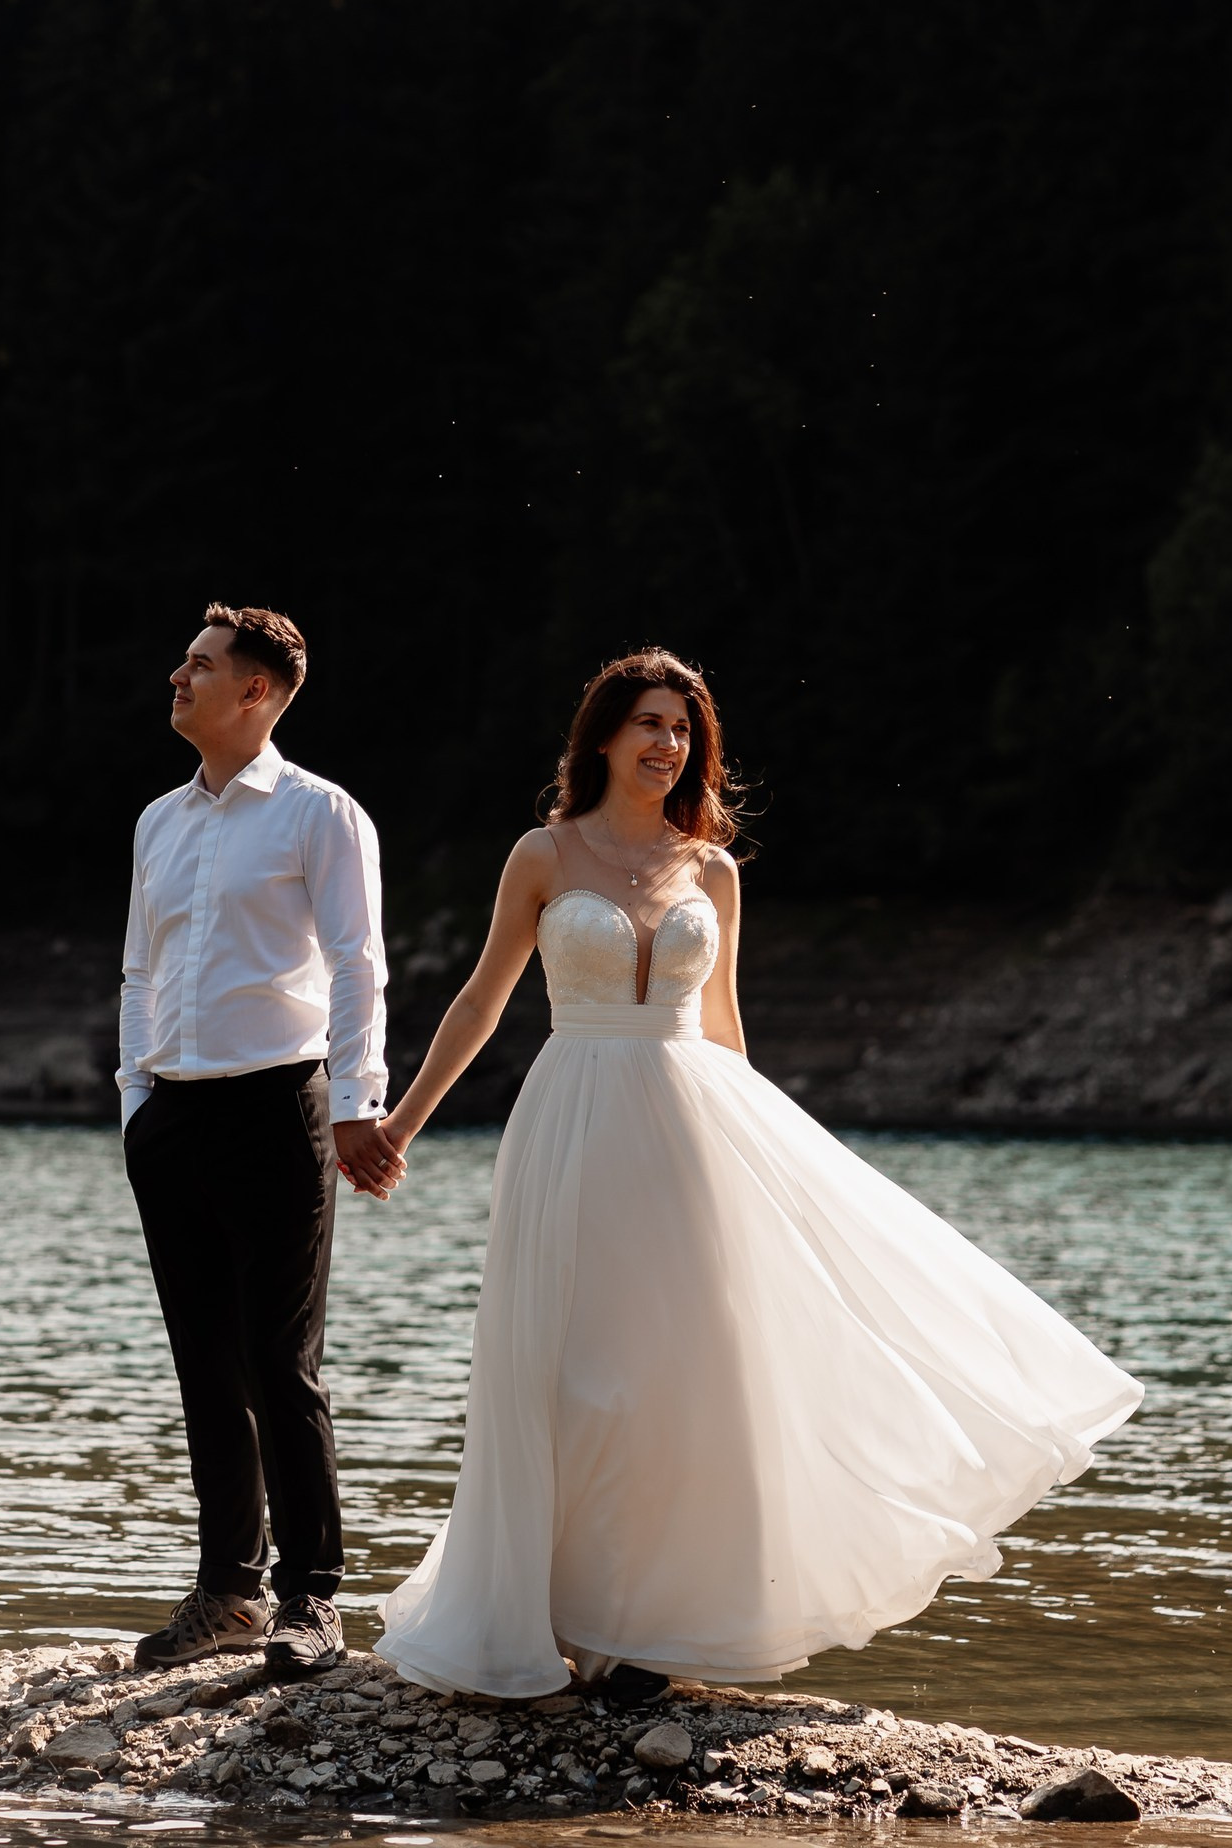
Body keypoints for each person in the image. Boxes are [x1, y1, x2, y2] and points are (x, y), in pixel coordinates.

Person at [357, 647, 1142, 1704]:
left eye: (682, 728)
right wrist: (400, 1123)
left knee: (683, 1381)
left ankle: (649, 1630)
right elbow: (478, 1002)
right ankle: (539, 1618)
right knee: (565, 1375)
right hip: (570, 1123)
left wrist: (767, 1175)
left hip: (686, 1132)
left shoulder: (710, 870)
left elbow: (722, 1027)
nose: (666, 744)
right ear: (600, 736)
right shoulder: (542, 854)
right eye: (646, 723)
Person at [119, 603, 404, 1684]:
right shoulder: (158, 819)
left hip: (278, 1103)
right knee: (202, 1362)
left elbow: (356, 963)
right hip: (172, 1112)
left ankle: (309, 1599)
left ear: (258, 691)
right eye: (182, 660)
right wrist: (134, 1098)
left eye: (199, 665)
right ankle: (225, 1590)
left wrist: (355, 1103)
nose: (177, 677)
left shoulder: (318, 814)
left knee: (278, 1364)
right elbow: (140, 971)